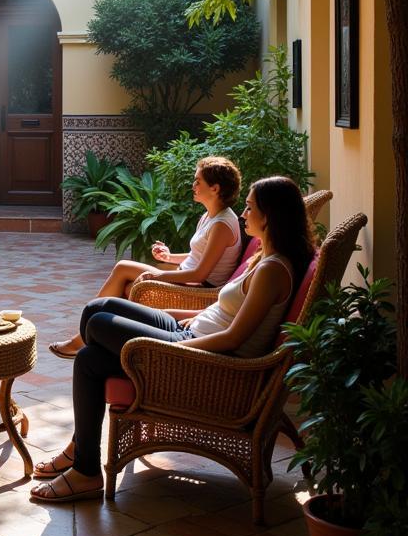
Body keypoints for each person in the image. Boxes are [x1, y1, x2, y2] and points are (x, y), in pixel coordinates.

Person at [31, 176, 314, 503]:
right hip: (192, 329)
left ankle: (83, 465)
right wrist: (174, 313)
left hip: (199, 356)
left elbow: (233, 337)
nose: (243, 214)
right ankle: (84, 463)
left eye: (250, 208)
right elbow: (224, 310)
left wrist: (172, 348)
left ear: (270, 216)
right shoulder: (265, 257)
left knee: (97, 326)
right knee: (96, 324)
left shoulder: (273, 270)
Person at [49, 156, 243, 359]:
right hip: (187, 276)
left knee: (123, 268)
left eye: (198, 181)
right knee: (125, 285)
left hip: (201, 288)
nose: (193, 185)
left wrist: (157, 276)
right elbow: (199, 255)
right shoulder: (210, 216)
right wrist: (169, 257)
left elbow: (200, 272)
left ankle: (82, 340)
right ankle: (97, 340)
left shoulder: (222, 225)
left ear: (215, 188)